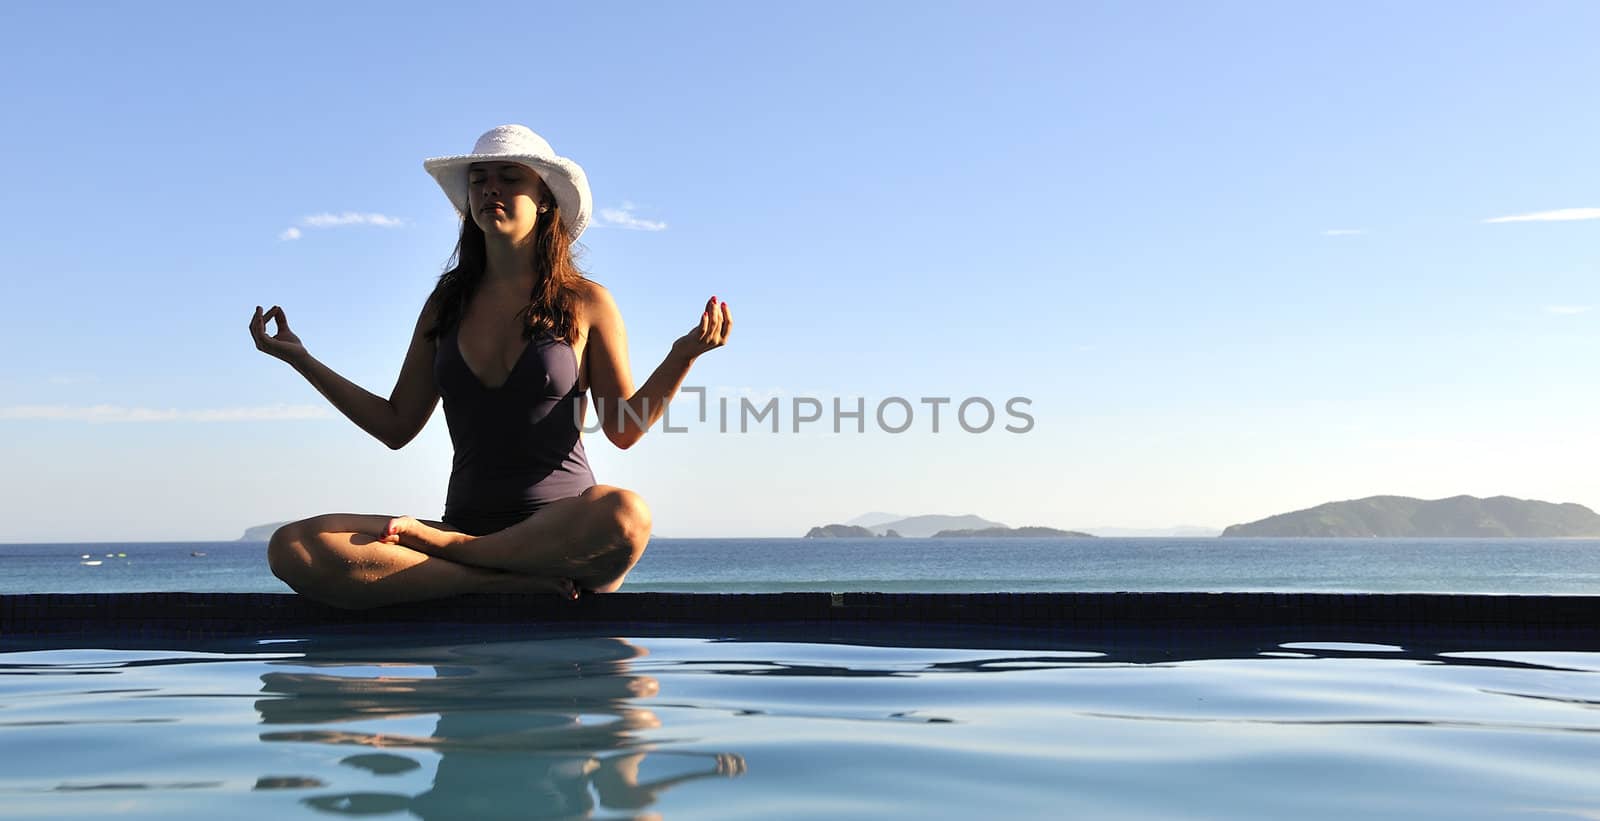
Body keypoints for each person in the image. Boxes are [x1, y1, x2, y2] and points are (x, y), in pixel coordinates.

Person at [251, 125, 731, 609]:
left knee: (627, 514)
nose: (490, 189)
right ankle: (490, 579)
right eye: (479, 180)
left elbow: (623, 429)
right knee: (291, 545)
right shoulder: (446, 304)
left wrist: (683, 355)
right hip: (465, 530)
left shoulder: (586, 303)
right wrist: (301, 359)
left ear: (545, 199)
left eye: (508, 177)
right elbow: (396, 424)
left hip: (557, 538)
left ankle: (464, 561)